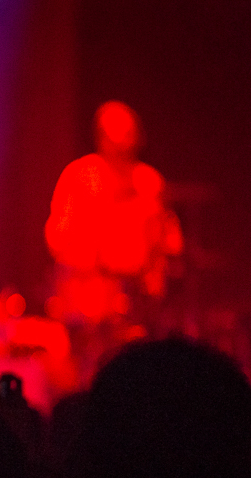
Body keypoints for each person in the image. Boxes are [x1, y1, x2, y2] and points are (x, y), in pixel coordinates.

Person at [44, 101, 183, 384]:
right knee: (86, 380)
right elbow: (57, 238)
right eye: (116, 134)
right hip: (88, 306)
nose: (124, 142)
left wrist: (154, 278)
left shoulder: (149, 182)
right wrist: (94, 264)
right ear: (101, 137)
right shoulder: (79, 177)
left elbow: (169, 243)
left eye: (130, 133)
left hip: (137, 309)